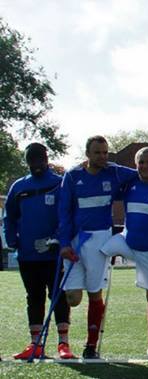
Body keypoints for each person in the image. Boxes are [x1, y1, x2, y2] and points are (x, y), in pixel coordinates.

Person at [57, 135, 139, 359]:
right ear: (87, 154)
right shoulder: (73, 176)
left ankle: (90, 345)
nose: (103, 157)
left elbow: (145, 172)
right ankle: (64, 342)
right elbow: (63, 211)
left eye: (105, 152)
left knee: (95, 293)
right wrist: (64, 243)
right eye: (97, 153)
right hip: (75, 240)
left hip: (99, 239)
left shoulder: (113, 171)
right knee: (73, 298)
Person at [99, 147, 148, 358]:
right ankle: (94, 304)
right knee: (98, 250)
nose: (145, 166)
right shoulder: (130, 182)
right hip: (128, 242)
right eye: (141, 162)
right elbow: (110, 167)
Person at [4, 143, 73, 359]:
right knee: (33, 297)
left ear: (46, 158)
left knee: (58, 296)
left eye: (39, 160)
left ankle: (63, 344)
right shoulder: (19, 186)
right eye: (31, 161)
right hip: (28, 254)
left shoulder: (59, 184)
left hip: (54, 254)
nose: (36, 165)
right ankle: (35, 344)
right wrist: (13, 241)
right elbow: (10, 217)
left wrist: (56, 240)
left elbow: (68, 215)